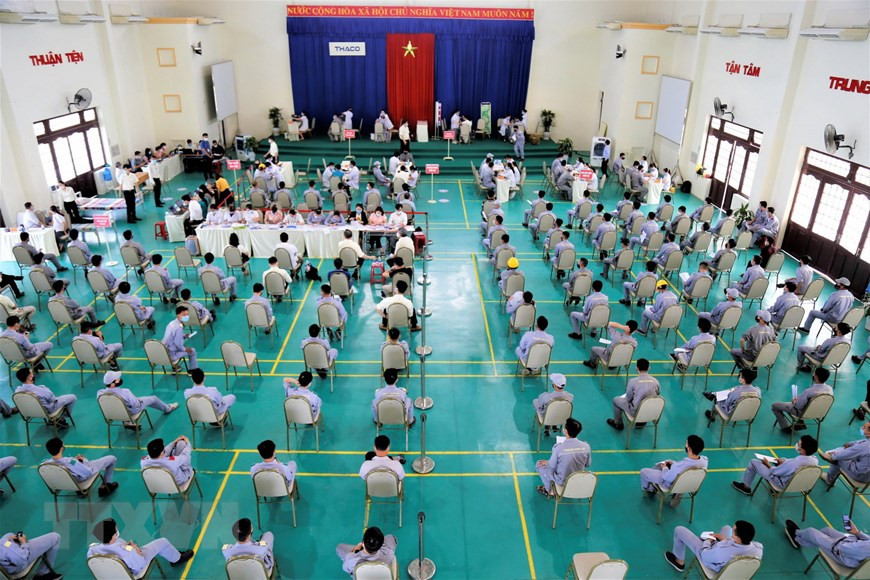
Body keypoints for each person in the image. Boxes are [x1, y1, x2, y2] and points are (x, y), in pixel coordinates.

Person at [88, 518, 193, 574]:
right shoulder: (127, 552)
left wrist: (130, 549)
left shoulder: (92, 549)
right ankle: (177, 559)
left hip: (112, 574)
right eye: (116, 530)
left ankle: (174, 554)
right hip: (133, 569)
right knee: (163, 542)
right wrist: (136, 550)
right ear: (113, 534)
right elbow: (139, 565)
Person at [664, 520, 763, 573]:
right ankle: (716, 539)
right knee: (726, 528)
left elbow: (705, 554)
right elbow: (736, 548)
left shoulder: (721, 553)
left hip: (711, 558)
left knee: (679, 530)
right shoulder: (758, 547)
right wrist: (725, 539)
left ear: (737, 538)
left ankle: (679, 562)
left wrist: (707, 541)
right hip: (730, 561)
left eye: (733, 532)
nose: (732, 532)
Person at [732, 435, 818, 495]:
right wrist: (783, 461)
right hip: (800, 485)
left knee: (753, 462)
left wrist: (768, 464)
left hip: (781, 484)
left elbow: (775, 472)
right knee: (783, 459)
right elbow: (790, 464)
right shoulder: (814, 460)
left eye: (798, 444)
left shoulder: (794, 463)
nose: (797, 444)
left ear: (802, 450)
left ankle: (745, 487)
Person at [640, 434, 707, 507]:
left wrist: (664, 468)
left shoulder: (679, 466)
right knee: (663, 465)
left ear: (689, 449)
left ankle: (651, 490)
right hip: (689, 484)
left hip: (670, 483)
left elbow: (666, 477)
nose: (685, 444)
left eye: (686, 443)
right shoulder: (704, 460)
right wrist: (674, 464)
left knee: (644, 471)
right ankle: (679, 491)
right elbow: (684, 467)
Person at [43, 436, 118, 497]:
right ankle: (106, 485)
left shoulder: (45, 464)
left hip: (64, 482)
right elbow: (88, 472)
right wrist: (84, 461)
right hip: (78, 480)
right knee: (112, 458)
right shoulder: (71, 462)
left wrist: (76, 461)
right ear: (61, 448)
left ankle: (79, 490)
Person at [535, 418, 590, 496]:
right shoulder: (586, 446)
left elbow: (551, 466)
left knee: (539, 464)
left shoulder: (558, 448)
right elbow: (587, 464)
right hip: (577, 479)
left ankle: (549, 490)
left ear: (565, 431)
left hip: (562, 481)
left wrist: (548, 462)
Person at [785, 518, 870, 566]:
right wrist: (857, 532)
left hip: (842, 554)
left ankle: (795, 534)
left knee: (811, 532)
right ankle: (801, 541)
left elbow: (844, 548)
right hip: (851, 546)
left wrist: (833, 540)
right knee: (826, 530)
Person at [99, 370, 178, 422]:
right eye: (117, 379)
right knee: (154, 398)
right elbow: (136, 405)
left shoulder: (100, 394)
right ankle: (168, 409)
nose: (119, 379)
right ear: (112, 383)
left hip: (113, 414)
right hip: (130, 413)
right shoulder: (125, 392)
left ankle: (128, 423)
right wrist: (139, 401)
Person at [771, 368, 832, 432]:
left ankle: (785, 427)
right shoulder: (829, 389)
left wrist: (794, 402)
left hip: (802, 413)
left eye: (814, 373)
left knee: (775, 406)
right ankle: (800, 423)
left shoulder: (809, 391)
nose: (813, 374)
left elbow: (798, 406)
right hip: (819, 413)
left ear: (816, 377)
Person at [608, 358, 660, 430]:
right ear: (649, 368)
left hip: (636, 412)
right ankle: (642, 421)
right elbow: (657, 395)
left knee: (616, 400)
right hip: (650, 411)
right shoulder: (656, 381)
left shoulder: (632, 381)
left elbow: (628, 399)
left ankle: (618, 424)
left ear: (636, 368)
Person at [819, 421, 870, 486]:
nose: (862, 428)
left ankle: (829, 479)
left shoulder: (864, 446)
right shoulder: (865, 445)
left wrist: (834, 456)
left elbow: (847, 454)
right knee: (847, 452)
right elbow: (863, 443)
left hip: (859, 475)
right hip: (868, 478)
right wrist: (852, 443)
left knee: (838, 458)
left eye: (864, 428)